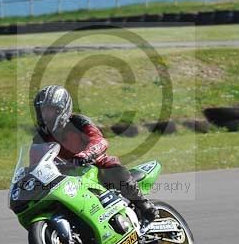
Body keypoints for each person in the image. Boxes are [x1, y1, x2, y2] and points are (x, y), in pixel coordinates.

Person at [30, 84, 158, 222]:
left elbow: (99, 140)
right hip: (66, 176)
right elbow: (36, 164)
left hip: (94, 165)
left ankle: (143, 204)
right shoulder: (40, 137)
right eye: (42, 111)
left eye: (49, 111)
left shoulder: (78, 122)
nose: (45, 116)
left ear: (61, 109)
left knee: (112, 168)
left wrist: (85, 155)